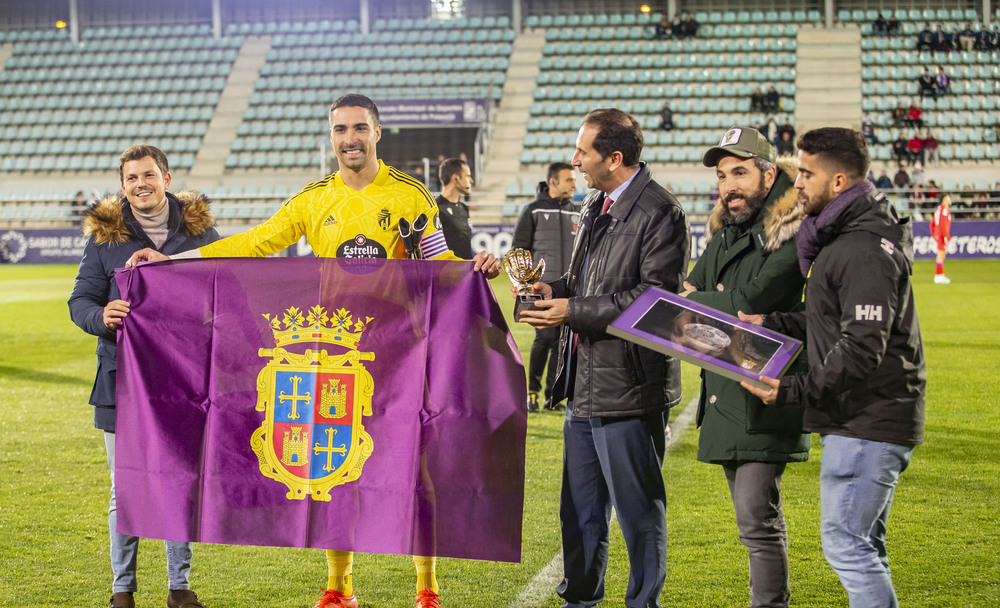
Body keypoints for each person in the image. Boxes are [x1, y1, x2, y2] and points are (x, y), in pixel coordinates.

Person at [127, 94, 501, 608]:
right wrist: (173, 263)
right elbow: (257, 242)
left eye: (359, 128)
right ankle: (339, 588)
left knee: (415, 467)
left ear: (377, 133)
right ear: (332, 136)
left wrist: (473, 268)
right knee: (334, 469)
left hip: (399, 353)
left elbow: (437, 264)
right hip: (336, 356)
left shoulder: (412, 195)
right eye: (340, 129)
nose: (349, 138)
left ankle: (427, 587)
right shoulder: (315, 197)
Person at [742, 127, 925, 608]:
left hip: (869, 418)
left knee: (847, 544)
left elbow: (862, 347)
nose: (797, 183)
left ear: (839, 181)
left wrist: (790, 390)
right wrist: (770, 321)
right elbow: (826, 318)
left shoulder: (861, 247)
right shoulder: (846, 236)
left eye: (806, 173)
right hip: (865, 417)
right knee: (863, 544)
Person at [519, 108, 689, 608]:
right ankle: (581, 598)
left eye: (582, 152)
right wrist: (553, 290)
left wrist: (572, 309)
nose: (574, 161)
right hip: (584, 384)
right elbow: (588, 284)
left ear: (614, 158)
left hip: (631, 387)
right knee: (580, 510)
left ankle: (642, 603)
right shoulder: (597, 203)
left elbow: (655, 301)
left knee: (638, 513)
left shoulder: (661, 211)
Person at [69, 144, 220, 608]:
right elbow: (80, 302)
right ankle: (122, 590)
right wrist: (103, 315)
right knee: (124, 488)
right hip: (121, 382)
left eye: (149, 175)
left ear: (167, 178)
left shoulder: (201, 234)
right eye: (131, 178)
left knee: (177, 482)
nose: (141, 184)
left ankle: (179, 587)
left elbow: (223, 295)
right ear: (122, 185)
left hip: (180, 380)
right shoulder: (105, 240)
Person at [683, 127, 809, 608]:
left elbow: (751, 301)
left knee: (758, 517)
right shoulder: (726, 228)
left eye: (739, 172)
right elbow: (688, 294)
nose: (728, 186)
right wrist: (707, 301)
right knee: (751, 518)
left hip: (764, 388)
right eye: (721, 176)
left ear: (768, 174)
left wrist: (704, 302)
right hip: (727, 388)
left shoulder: (794, 229)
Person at [511, 162, 579, 413]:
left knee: (562, 341)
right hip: (541, 289)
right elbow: (519, 249)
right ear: (552, 182)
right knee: (545, 338)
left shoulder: (578, 211)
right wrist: (522, 284)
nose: (574, 184)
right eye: (569, 180)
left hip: (569, 290)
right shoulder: (533, 210)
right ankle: (532, 393)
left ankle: (553, 396)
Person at [435, 157, 475, 259]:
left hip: (466, 272)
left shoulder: (463, 208)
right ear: (455, 178)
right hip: (446, 272)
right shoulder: (435, 209)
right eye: (468, 176)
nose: (471, 181)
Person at [930, 193, 952, 283]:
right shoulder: (944, 210)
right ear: (945, 199)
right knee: (941, 255)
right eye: (949, 197)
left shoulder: (939, 209)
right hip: (942, 236)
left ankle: (940, 274)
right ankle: (938, 275)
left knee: (941, 255)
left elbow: (932, 224)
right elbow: (943, 224)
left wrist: (934, 234)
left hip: (939, 235)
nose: (950, 199)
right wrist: (946, 235)